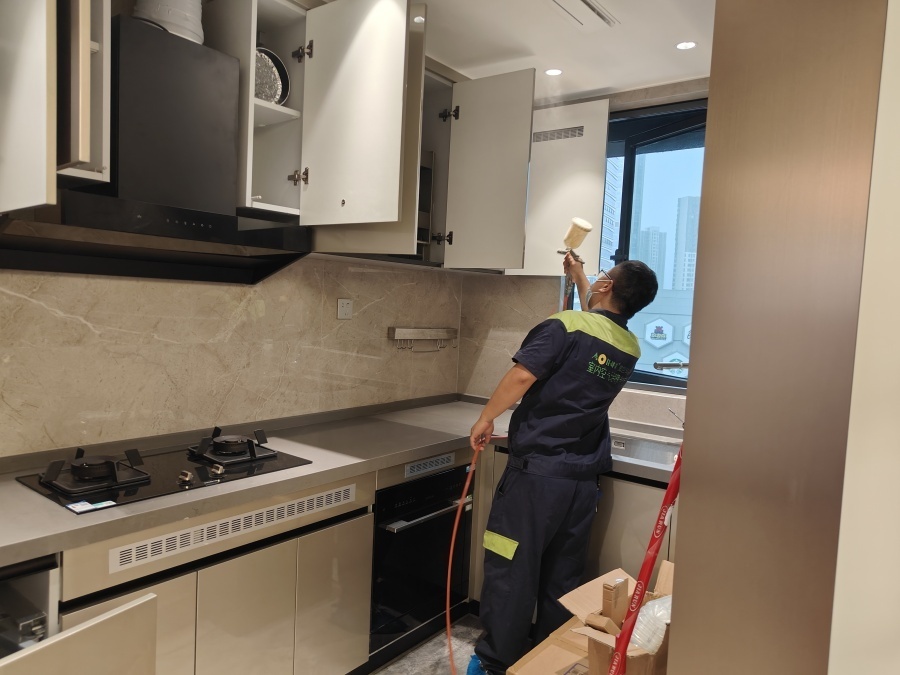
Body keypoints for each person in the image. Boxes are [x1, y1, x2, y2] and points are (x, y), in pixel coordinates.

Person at [467, 254, 659, 675]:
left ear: (607, 287)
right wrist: (579, 274)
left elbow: (522, 377)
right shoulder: (629, 346)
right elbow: (600, 317)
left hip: (536, 476)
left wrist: (486, 418)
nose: (598, 280)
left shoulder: (565, 325)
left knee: (510, 568)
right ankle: (546, 660)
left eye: (603, 277)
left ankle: (495, 661)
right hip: (581, 481)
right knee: (562, 575)